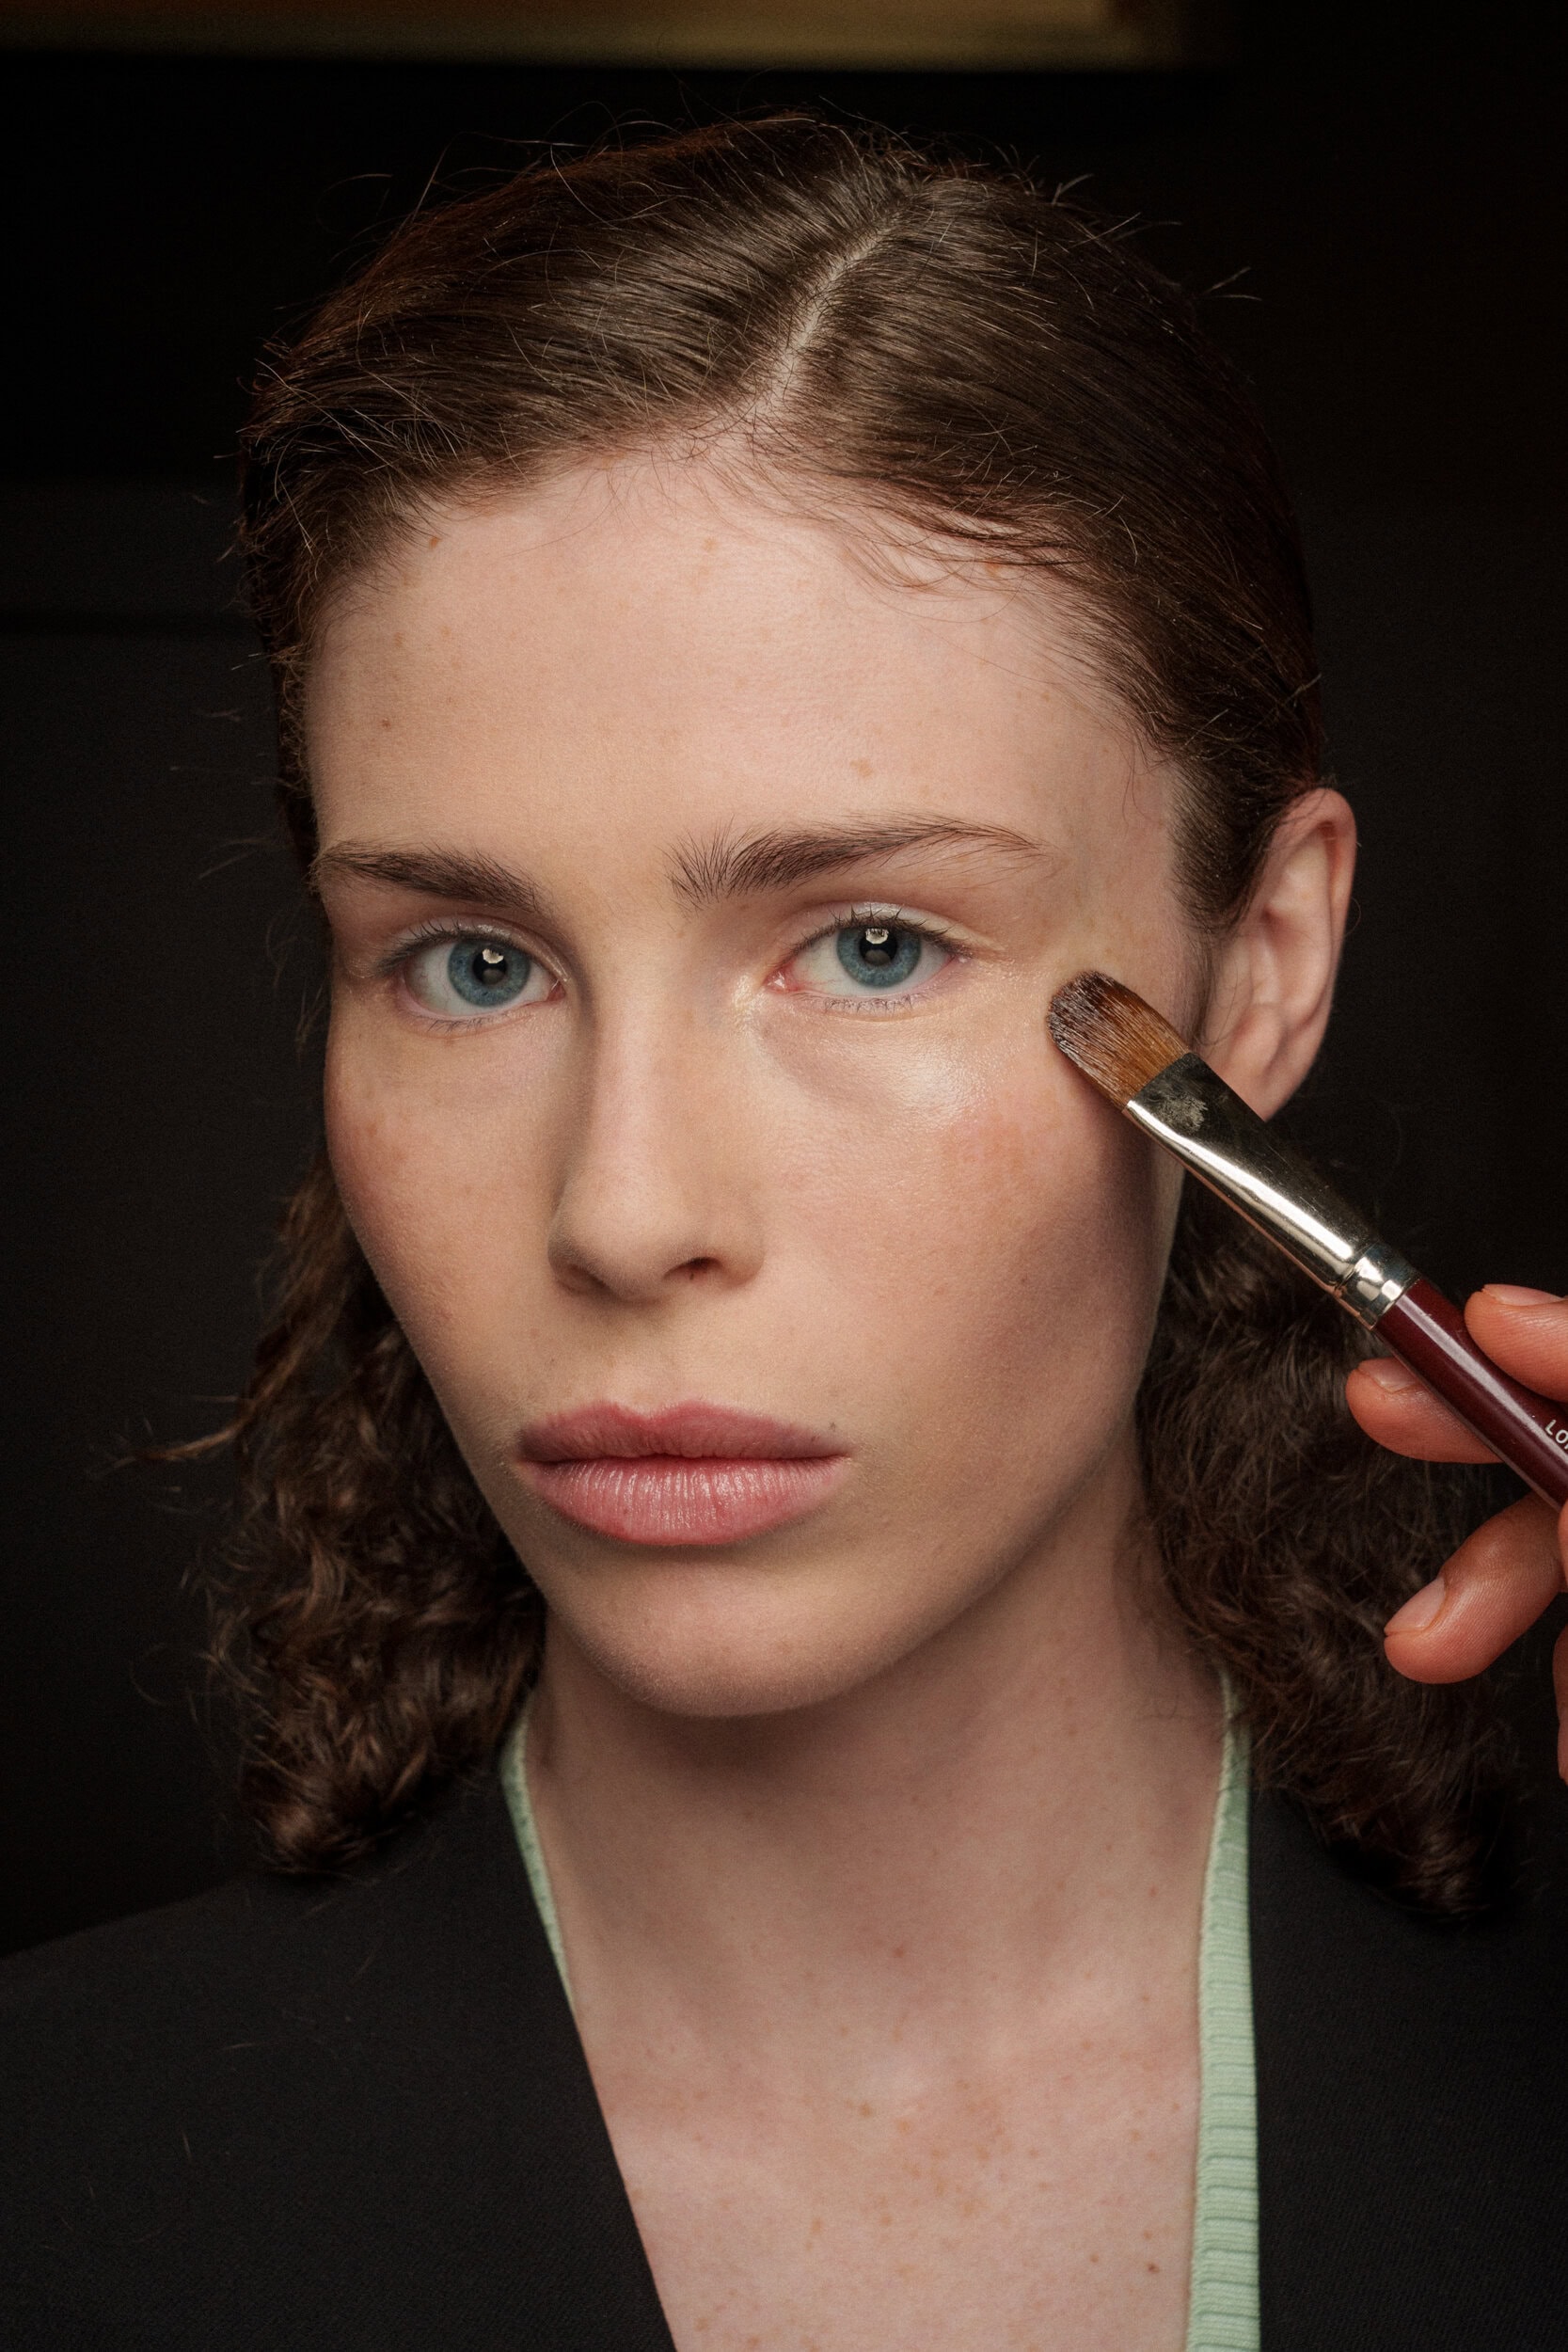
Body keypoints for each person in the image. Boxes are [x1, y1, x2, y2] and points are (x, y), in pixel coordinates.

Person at [3, 117, 1565, 2352]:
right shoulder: (59, 2183)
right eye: (472, 964)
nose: (624, 1209)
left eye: (871, 945)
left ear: (1264, 962)